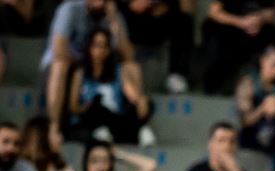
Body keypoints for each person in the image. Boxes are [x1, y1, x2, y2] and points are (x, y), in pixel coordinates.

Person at [40, 0, 134, 139]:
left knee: (131, 68)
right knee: (60, 66)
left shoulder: (113, 16)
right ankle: (53, 127)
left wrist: (114, 21)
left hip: (95, 66)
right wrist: (85, 63)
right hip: (67, 64)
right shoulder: (70, 9)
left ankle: (137, 125)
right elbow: (59, 50)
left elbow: (128, 56)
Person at [67, 27, 155, 146]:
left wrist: (140, 102)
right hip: (91, 116)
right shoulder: (80, 73)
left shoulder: (118, 71)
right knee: (96, 106)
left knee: (146, 103)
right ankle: (105, 132)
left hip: (115, 118)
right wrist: (86, 107)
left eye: (104, 46)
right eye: (96, 45)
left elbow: (131, 95)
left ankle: (140, 129)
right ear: (89, 47)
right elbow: (73, 106)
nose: (99, 50)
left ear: (108, 50)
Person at [201, 0, 275, 94]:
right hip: (229, 28)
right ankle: (215, 86)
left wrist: (259, 19)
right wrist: (241, 22)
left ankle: (272, 83)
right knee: (216, 37)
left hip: (257, 29)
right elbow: (214, 13)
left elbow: (271, 12)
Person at [119, 0, 194, 94]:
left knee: (185, 20)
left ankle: (176, 75)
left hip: (165, 14)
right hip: (136, 17)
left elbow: (186, 7)